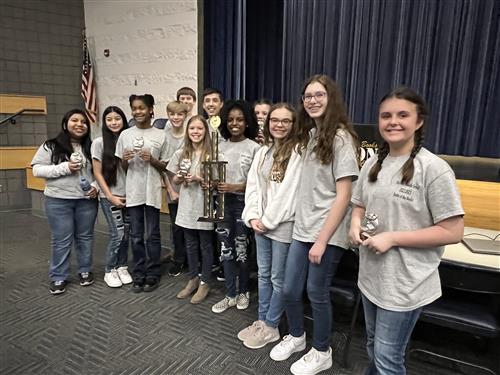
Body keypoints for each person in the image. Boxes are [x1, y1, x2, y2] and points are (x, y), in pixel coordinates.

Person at [349, 87, 464, 375]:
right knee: (373, 347)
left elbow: (453, 230)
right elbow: (359, 204)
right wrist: (354, 225)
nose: (393, 122)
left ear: (419, 121)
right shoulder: (373, 163)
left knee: (388, 359)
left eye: (403, 115)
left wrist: (392, 238)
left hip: (404, 284)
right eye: (386, 115)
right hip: (372, 277)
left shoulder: (434, 169)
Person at [269, 74, 359, 375]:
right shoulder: (309, 137)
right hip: (302, 228)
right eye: (307, 96)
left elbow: (344, 194)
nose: (312, 101)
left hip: (327, 232)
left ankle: (322, 350)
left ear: (330, 98)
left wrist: (322, 240)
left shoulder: (341, 138)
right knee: (290, 289)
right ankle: (296, 336)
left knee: (316, 292)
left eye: (319, 95)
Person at [239, 103, 305, 349]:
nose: (279, 124)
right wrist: (254, 216)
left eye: (285, 121)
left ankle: (272, 325)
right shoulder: (263, 150)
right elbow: (254, 185)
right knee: (264, 275)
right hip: (261, 224)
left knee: (278, 279)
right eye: (274, 120)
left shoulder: (298, 152)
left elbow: (290, 193)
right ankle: (262, 321)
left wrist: (267, 221)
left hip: (282, 225)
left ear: (293, 124)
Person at [31, 109, 99, 295]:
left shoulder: (92, 147)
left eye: (83, 122)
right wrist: (65, 167)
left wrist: (96, 186)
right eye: (74, 120)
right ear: (65, 124)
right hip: (58, 201)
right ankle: (58, 276)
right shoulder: (50, 146)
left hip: (86, 201)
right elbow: (36, 170)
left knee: (85, 237)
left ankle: (85, 270)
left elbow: (100, 172)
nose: (79, 124)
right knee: (62, 239)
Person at [210, 100, 260, 314]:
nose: (234, 123)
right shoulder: (218, 145)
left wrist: (235, 186)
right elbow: (212, 174)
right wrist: (211, 183)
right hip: (221, 203)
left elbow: (259, 183)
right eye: (230, 119)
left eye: (239, 119)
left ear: (247, 122)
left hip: (242, 204)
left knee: (241, 250)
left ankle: (244, 291)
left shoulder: (255, 148)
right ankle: (230, 293)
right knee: (225, 251)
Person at [115, 94, 168, 293]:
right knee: (136, 235)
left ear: (151, 109)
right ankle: (138, 272)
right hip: (134, 191)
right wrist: (125, 160)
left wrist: (152, 160)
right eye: (134, 108)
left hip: (152, 190)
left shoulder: (160, 135)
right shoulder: (125, 135)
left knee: (152, 235)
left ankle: (153, 273)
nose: (138, 111)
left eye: (142, 108)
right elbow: (123, 167)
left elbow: (165, 166)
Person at [167, 115, 214, 304]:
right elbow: (174, 181)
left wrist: (199, 179)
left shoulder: (213, 154)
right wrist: (179, 177)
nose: (195, 132)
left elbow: (216, 184)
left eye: (199, 129)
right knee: (190, 245)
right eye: (192, 128)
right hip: (187, 205)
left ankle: (205, 281)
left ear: (206, 131)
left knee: (206, 245)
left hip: (204, 205)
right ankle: (193, 278)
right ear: (187, 132)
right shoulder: (181, 153)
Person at [91, 106, 132, 288]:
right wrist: (109, 196)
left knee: (127, 235)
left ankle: (122, 266)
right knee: (118, 233)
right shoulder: (99, 143)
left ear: (123, 120)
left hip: (129, 195)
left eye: (117, 118)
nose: (114, 122)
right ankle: (110, 269)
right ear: (105, 122)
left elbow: (130, 171)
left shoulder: (128, 140)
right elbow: (97, 173)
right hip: (111, 196)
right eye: (109, 119)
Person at [163, 101, 189, 277]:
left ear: (185, 116)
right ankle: (179, 259)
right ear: (168, 115)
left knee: (193, 227)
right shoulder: (164, 137)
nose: (176, 117)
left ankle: (194, 259)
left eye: (180, 114)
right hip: (173, 189)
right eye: (172, 114)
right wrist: (171, 191)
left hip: (191, 189)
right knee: (177, 227)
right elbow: (164, 167)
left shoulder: (190, 134)